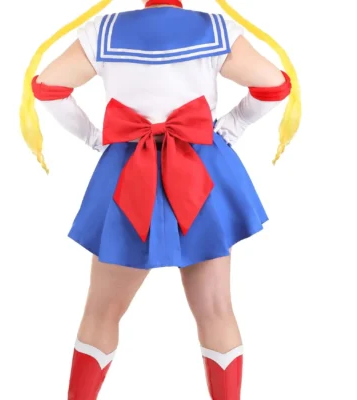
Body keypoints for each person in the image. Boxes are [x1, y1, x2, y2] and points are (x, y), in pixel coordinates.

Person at [20, 0, 300, 398]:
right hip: (201, 174)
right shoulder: (215, 28)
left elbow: (47, 88)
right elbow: (275, 85)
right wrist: (232, 127)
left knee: (101, 312)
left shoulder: (104, 30)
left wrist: (96, 139)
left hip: (128, 172)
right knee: (216, 311)